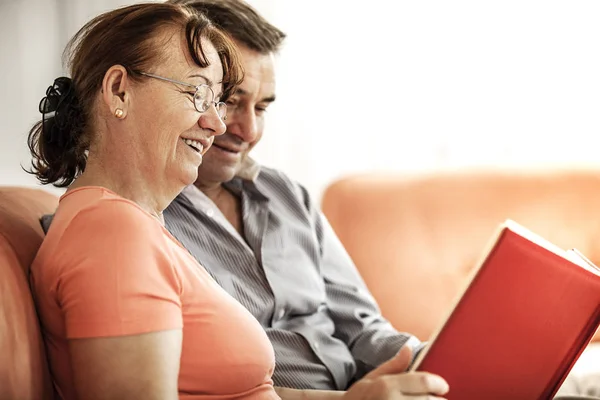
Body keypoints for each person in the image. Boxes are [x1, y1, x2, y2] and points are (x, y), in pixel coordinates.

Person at [29, 2, 449, 400]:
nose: (218, 124)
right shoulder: (114, 234)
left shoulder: (137, 223)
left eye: (218, 100)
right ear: (119, 91)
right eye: (203, 96)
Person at [163, 0, 424, 391]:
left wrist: (428, 360)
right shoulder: (148, 218)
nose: (248, 130)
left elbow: (362, 326)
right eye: (229, 100)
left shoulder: (285, 193)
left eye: (262, 107)